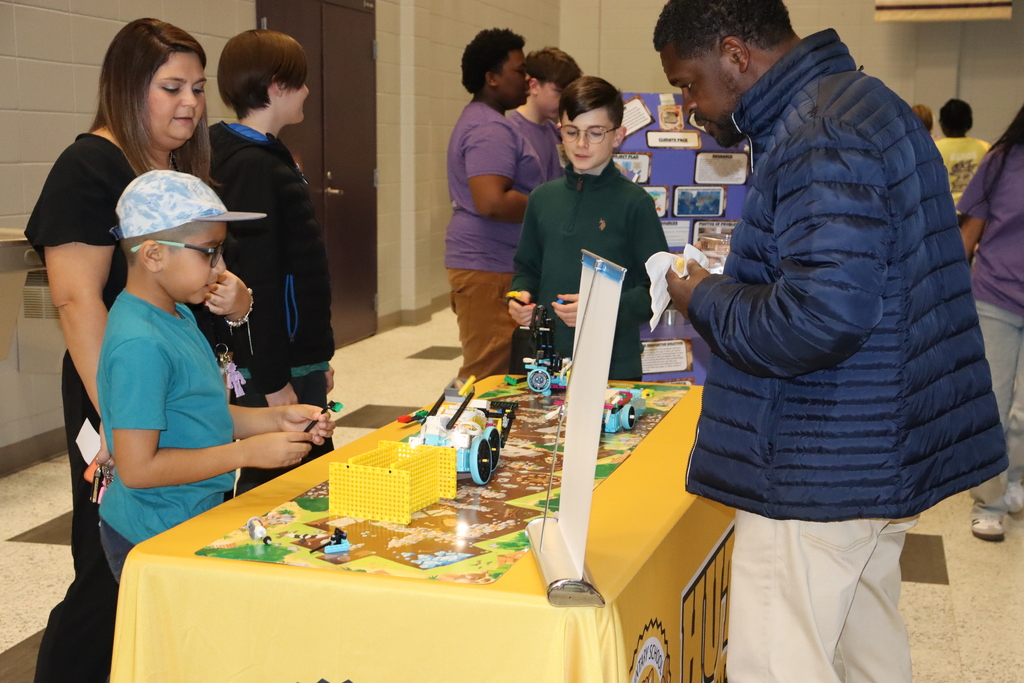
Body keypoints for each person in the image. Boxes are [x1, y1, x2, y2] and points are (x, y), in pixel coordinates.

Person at [654, 1, 1005, 681]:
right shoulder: (859, 102)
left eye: (689, 83)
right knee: (863, 648)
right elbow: (855, 282)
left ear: (734, 54)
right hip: (870, 453)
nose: (690, 106)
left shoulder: (819, 131)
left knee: (779, 661)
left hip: (816, 464)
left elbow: (823, 316)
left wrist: (706, 297)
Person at [23, 19, 252, 683]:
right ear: (128, 88)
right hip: (123, 394)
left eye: (199, 89)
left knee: (170, 545)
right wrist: (124, 425)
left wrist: (234, 294)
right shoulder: (89, 166)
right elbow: (76, 301)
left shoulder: (173, 168)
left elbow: (194, 277)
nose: (189, 103)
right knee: (111, 562)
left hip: (178, 388)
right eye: (171, 86)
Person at [96, 170, 334, 581]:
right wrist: (245, 454)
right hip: (152, 536)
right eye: (209, 252)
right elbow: (138, 469)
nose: (221, 268)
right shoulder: (141, 344)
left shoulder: (180, 314)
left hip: (189, 516)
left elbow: (203, 415)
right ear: (154, 255)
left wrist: (274, 420)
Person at [210, 29, 336, 494]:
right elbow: (256, 281)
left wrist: (315, 356)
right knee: (284, 482)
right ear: (276, 86)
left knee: (309, 470)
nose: (306, 92)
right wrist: (274, 380)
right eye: (299, 82)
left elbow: (298, 271)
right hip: (275, 365)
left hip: (295, 357)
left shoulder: (266, 157)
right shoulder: (251, 166)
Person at [509, 76, 668, 380]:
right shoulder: (542, 199)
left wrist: (600, 306)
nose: (581, 144)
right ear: (560, 133)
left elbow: (657, 291)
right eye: (572, 132)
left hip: (612, 363)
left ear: (618, 135)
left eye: (595, 133)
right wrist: (521, 295)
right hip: (545, 360)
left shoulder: (635, 204)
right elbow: (526, 268)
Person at [446, 28, 544, 380]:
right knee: (484, 375)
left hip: (490, 263)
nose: (527, 78)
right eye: (519, 71)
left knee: (496, 370)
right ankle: (442, 435)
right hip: (487, 266)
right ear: (492, 78)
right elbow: (492, 202)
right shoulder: (490, 129)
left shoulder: (488, 121)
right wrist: (547, 204)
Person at [959, 102, 1024, 541]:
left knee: (1023, 415)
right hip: (995, 298)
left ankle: (1014, 478)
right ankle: (990, 501)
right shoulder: (1002, 161)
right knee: (994, 409)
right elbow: (970, 231)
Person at [508, 47, 582, 183]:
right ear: (534, 86)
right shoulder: (511, 133)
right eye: (558, 92)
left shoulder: (556, 132)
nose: (563, 101)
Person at [936, 98, 990, 203]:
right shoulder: (984, 148)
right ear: (969, 122)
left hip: (944, 209)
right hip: (975, 211)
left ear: (942, 124)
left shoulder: (934, 148)